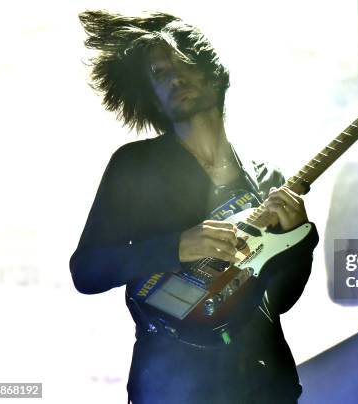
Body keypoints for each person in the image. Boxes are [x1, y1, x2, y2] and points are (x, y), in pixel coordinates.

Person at [70, 10, 319, 404]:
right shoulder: (135, 165)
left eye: (182, 64)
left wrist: (300, 241)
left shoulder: (267, 178)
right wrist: (176, 247)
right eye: (158, 73)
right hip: (173, 384)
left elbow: (278, 301)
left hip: (263, 382)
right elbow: (87, 270)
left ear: (213, 73)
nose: (172, 78)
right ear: (151, 96)